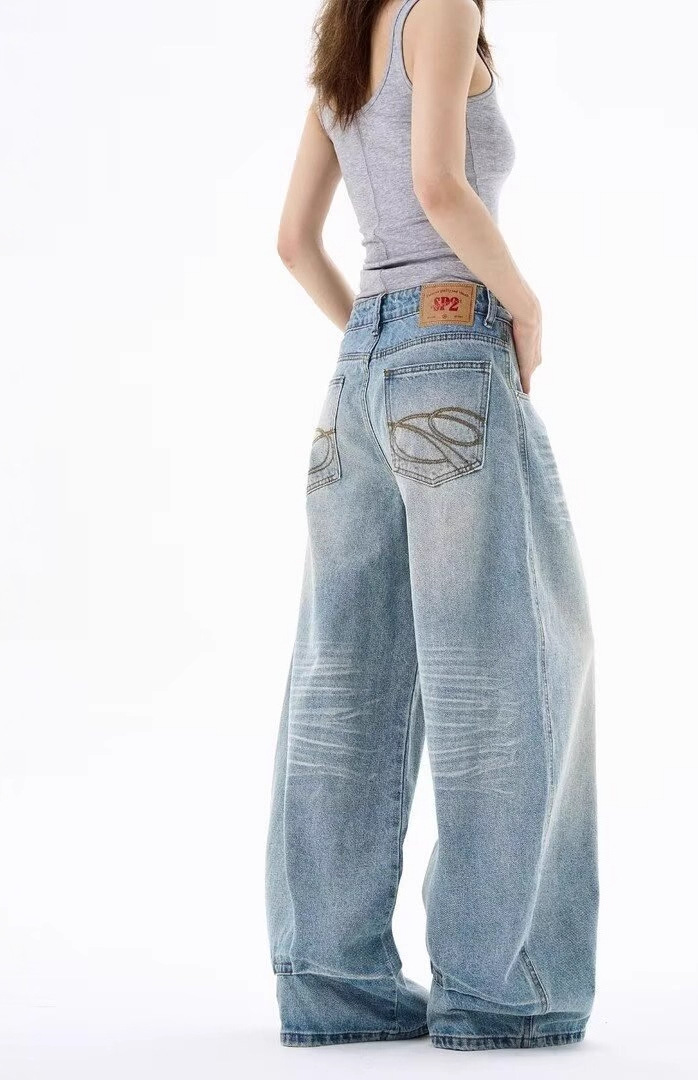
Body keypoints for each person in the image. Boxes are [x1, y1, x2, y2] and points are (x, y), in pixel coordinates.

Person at [265, 0, 598, 1052]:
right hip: (455, 347)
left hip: (355, 381)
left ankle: (331, 981)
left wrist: (381, 347)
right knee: (505, 664)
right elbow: (439, 186)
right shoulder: (440, 7)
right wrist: (523, 304)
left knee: (345, 678)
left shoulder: (342, 33)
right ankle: (501, 989)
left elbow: (293, 242)